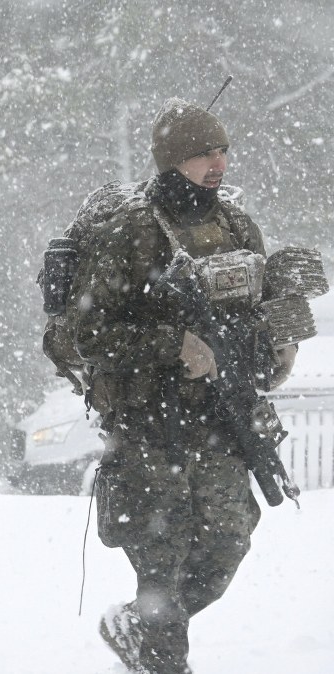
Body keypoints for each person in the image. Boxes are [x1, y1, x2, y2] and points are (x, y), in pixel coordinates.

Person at [66, 98, 297, 674]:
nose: (218, 164)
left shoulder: (237, 225)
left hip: (222, 420)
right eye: (203, 154)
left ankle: (139, 626)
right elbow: (87, 332)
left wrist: (279, 344)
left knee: (227, 543)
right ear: (172, 160)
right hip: (151, 425)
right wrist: (174, 346)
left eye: (222, 151)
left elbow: (262, 305)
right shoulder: (133, 232)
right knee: (161, 560)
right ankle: (163, 657)